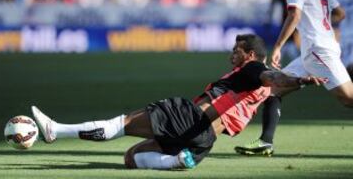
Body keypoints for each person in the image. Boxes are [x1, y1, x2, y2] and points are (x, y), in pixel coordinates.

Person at [31, 34, 324, 170]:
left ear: (249, 54)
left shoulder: (253, 70)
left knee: (123, 124)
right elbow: (276, 92)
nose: (231, 54)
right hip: (204, 142)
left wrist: (298, 80)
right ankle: (176, 161)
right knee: (131, 158)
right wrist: (299, 83)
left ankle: (57, 130)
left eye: (236, 50)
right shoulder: (260, 90)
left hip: (190, 117)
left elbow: (275, 77)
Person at [234, 0, 353, 157]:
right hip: (312, 52)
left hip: (319, 51)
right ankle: (265, 142)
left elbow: (294, 14)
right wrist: (320, 20)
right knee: (274, 89)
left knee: (349, 98)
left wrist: (278, 46)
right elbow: (340, 13)